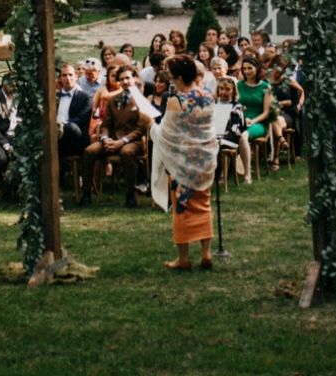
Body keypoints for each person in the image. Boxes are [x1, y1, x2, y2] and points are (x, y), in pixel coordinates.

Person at [148, 55, 218, 270]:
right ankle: (206, 254)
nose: (169, 79)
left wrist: (149, 122)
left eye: (171, 76)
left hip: (183, 162)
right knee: (203, 205)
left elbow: (166, 133)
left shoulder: (175, 100)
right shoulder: (207, 95)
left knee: (182, 207)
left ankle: (184, 258)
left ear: (178, 77)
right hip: (205, 159)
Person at [82, 65, 146, 206]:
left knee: (126, 152)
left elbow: (140, 129)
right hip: (111, 140)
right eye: (121, 79)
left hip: (132, 141)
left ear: (134, 78)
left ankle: (130, 196)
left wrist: (122, 141)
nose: (125, 82)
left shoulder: (141, 100)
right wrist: (105, 138)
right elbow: (105, 125)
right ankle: (86, 195)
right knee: (89, 151)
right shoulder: (113, 100)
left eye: (128, 78)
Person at [235, 57, 277, 170]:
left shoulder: (265, 87)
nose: (247, 71)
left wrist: (252, 121)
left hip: (259, 123)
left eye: (250, 68)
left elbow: (266, 112)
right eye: (244, 69)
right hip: (241, 120)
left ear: (257, 68)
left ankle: (247, 173)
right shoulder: (239, 85)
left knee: (243, 136)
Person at [214, 76, 252, 183]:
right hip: (215, 135)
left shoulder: (236, 106)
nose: (224, 92)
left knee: (219, 143)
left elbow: (236, 127)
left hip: (231, 136)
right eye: (221, 89)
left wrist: (224, 134)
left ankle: (224, 174)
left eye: (227, 89)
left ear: (233, 91)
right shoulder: (214, 104)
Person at [54, 62, 94, 163]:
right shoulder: (54, 97)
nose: (68, 78)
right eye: (64, 75)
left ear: (76, 76)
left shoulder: (85, 97)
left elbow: (82, 119)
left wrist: (63, 126)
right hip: (56, 137)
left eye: (70, 75)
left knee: (70, 127)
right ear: (60, 79)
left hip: (76, 139)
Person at [269, 60, 305, 158]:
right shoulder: (268, 83)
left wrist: (299, 104)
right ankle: (281, 141)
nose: (274, 72)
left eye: (277, 70)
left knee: (275, 120)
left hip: (288, 113)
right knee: (273, 119)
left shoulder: (288, 81)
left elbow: (301, 91)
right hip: (272, 112)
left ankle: (275, 156)